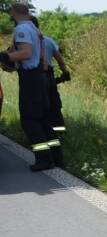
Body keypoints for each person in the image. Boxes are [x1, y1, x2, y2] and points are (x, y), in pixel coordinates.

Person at [0, 3, 59, 171]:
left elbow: (25, 53)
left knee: (29, 121)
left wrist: (4, 55)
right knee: (41, 119)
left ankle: (44, 160)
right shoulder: (34, 28)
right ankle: (56, 157)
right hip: (40, 77)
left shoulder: (22, 30)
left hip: (31, 79)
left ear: (13, 12)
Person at [31, 15, 70, 166]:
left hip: (35, 80)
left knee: (40, 110)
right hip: (49, 78)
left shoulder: (25, 43)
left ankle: (46, 138)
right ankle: (59, 135)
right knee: (54, 106)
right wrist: (65, 73)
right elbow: (60, 60)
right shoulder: (49, 40)